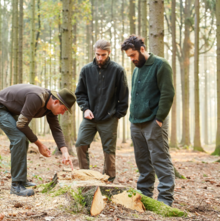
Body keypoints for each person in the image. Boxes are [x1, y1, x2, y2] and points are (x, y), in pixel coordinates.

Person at [0, 84, 75, 197]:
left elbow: (56, 128)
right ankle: (16, 186)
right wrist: (40, 145)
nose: (63, 113)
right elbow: (21, 125)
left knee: (22, 138)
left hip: (10, 110)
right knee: (19, 138)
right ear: (55, 102)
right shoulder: (36, 98)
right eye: (63, 109)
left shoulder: (51, 107)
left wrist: (65, 151)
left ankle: (21, 180)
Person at [121, 35, 175, 206]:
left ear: (142, 49)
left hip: (154, 121)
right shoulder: (137, 68)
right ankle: (144, 194)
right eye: (128, 56)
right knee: (142, 159)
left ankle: (165, 197)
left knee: (160, 158)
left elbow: (168, 93)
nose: (131, 59)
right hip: (136, 122)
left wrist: (159, 119)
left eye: (132, 55)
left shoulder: (161, 65)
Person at [74, 39, 129, 182]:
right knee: (80, 143)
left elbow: (124, 96)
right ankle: (85, 177)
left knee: (109, 151)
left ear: (109, 53)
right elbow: (80, 93)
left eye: (103, 55)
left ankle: (109, 180)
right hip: (89, 117)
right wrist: (85, 109)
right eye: (98, 54)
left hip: (109, 118)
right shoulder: (86, 70)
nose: (100, 58)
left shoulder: (118, 70)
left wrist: (117, 115)